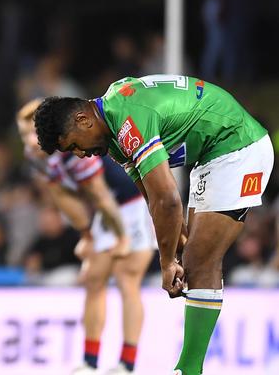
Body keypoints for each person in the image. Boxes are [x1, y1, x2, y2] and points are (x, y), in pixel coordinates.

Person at [33, 74, 274, 375]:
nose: (80, 154)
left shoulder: (126, 119)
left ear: (83, 120)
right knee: (194, 257)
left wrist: (165, 263)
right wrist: (175, 250)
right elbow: (151, 198)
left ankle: (187, 370)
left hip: (237, 147)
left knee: (200, 261)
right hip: (210, 157)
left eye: (73, 146)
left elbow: (168, 200)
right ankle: (189, 368)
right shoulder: (113, 136)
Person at [17, 99, 156, 374]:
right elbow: (60, 195)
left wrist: (121, 238)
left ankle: (127, 364)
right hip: (106, 210)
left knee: (127, 280)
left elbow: (103, 198)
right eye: (24, 136)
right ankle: (90, 362)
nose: (30, 141)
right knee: (93, 280)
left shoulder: (71, 152)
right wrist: (86, 234)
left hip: (133, 203)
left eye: (33, 133)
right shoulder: (36, 155)